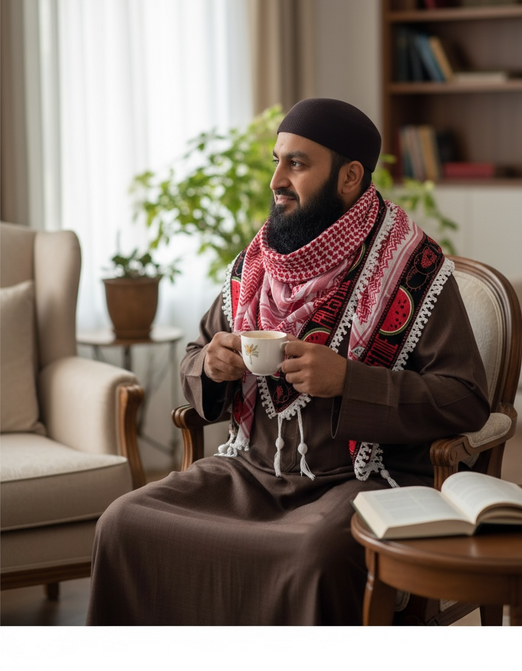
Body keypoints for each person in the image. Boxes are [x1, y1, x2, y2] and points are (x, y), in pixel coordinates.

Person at [86, 98, 489, 626]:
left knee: (313, 558)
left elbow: (466, 397)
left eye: (296, 164)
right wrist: (210, 365)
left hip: (359, 481)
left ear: (349, 177)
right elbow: (196, 354)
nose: (276, 179)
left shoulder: (413, 269)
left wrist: (350, 381)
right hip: (248, 474)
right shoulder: (255, 266)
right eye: (277, 160)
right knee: (123, 522)